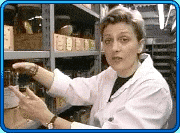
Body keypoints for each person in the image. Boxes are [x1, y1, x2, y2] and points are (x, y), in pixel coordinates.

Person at [8, 5, 172, 129]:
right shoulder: (113, 73)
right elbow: (74, 88)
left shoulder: (154, 89)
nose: (114, 47)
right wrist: (34, 70)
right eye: (108, 40)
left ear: (140, 46)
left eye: (124, 39)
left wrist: (48, 118)